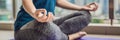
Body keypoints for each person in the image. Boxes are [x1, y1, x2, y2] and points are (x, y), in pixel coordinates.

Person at [14, 0, 98, 40]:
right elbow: (26, 1)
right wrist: (35, 13)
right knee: (45, 26)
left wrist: (82, 8)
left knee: (85, 15)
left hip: (48, 24)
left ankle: (55, 34)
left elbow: (59, 1)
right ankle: (67, 37)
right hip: (24, 28)